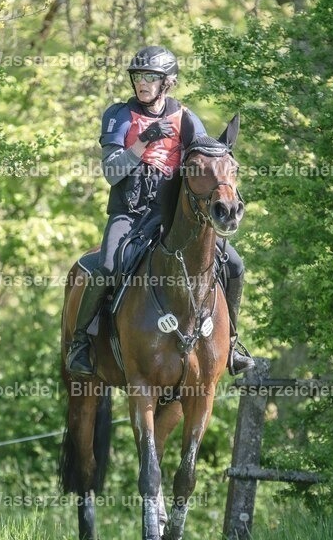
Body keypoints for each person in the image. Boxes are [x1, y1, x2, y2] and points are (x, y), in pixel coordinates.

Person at [66, 45, 255, 377]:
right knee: (108, 266)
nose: (142, 84)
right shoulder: (119, 115)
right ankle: (80, 342)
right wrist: (143, 142)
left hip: (170, 214)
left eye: (150, 78)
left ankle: (234, 342)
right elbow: (111, 172)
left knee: (235, 264)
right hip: (130, 212)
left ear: (167, 82)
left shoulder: (184, 117)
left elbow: (203, 161)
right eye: (138, 77)